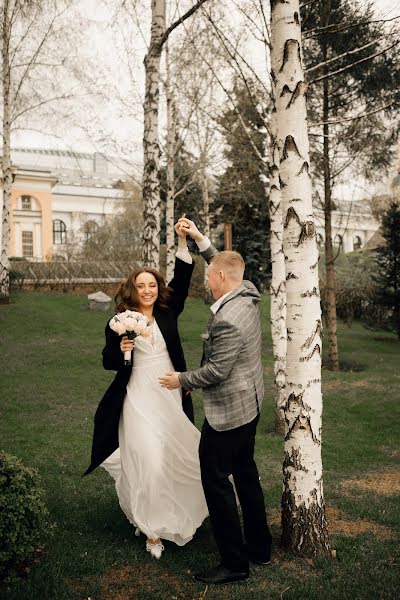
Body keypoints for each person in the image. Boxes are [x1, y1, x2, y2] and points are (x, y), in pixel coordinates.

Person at [84, 221, 208, 560]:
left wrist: (183, 241)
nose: (148, 290)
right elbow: (108, 362)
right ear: (133, 290)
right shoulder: (120, 320)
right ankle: (152, 530)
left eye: (152, 284)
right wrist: (123, 347)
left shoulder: (168, 312)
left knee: (173, 457)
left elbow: (182, 281)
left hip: (169, 393)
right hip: (136, 396)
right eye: (141, 286)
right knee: (148, 460)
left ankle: (168, 512)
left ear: (158, 288)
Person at [160, 218, 272, 585]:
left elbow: (215, 373)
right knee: (246, 472)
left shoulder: (228, 320)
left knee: (215, 479)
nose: (207, 280)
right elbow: (222, 262)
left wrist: (180, 379)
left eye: (210, 277)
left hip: (228, 413)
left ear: (221, 280)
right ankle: (260, 547)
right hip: (251, 403)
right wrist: (199, 240)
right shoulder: (248, 290)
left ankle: (235, 563)